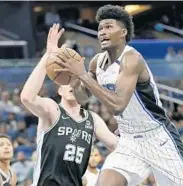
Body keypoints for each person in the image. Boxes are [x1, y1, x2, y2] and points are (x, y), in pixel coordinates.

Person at [54, 4, 183, 186]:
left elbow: (118, 105)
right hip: (129, 141)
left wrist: (81, 75)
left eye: (109, 27)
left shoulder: (132, 59)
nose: (102, 32)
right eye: (100, 28)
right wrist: (74, 81)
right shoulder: (97, 62)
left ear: (123, 33)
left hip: (158, 139)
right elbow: (82, 98)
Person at [20, 23, 118, 186]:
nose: (72, 84)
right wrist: (48, 55)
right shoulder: (52, 109)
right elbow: (27, 97)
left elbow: (117, 146)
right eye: (67, 80)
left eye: (75, 79)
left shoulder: (92, 119)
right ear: (59, 90)